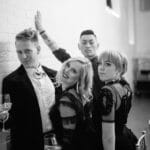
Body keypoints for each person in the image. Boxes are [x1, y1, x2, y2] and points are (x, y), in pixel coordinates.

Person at [35, 11, 104, 149]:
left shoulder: (103, 67)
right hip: (83, 126)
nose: (88, 45)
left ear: (97, 45)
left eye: (91, 42)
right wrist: (42, 31)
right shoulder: (79, 66)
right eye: (84, 42)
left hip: (99, 127)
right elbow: (60, 53)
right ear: (79, 46)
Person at [1, 28, 61, 150]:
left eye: (28, 51)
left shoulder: (55, 75)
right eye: (19, 52)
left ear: (38, 49)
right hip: (27, 143)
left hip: (57, 140)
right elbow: (8, 120)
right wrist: (3, 117)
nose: (23, 56)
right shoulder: (10, 81)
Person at [49, 57, 98, 150]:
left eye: (73, 71)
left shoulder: (67, 99)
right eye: (67, 65)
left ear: (80, 78)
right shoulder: (80, 95)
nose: (66, 70)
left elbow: (68, 139)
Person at [97, 50, 137, 150]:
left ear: (119, 69)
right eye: (99, 63)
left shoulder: (107, 92)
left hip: (113, 144)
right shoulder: (125, 85)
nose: (101, 68)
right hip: (126, 136)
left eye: (108, 64)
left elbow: (108, 137)